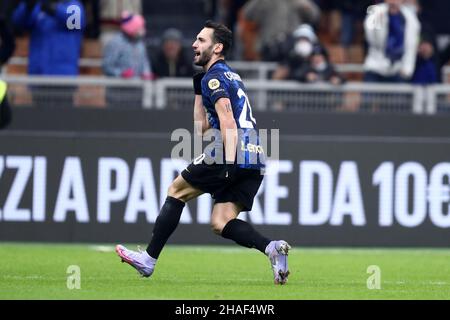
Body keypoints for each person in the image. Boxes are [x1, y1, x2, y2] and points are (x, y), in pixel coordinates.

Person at [116, 21, 291, 285]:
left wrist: (229, 162)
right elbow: (202, 127)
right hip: (256, 153)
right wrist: (198, 90)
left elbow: (228, 121)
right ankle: (272, 248)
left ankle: (148, 259)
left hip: (231, 149)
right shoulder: (228, 76)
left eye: (201, 40)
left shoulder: (215, 77)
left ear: (217, 47)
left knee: (177, 191)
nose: (194, 45)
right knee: (221, 222)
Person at [12, 0, 86, 108]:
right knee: (40, 120)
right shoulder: (37, 8)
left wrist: (52, 8)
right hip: (39, 74)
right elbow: (18, 23)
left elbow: (75, 21)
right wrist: (28, 7)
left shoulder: (73, 5)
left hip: (63, 77)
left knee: (63, 119)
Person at [102, 11, 152, 108]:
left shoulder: (140, 44)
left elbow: (145, 62)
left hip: (136, 94)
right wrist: (120, 73)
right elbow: (107, 66)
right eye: (138, 28)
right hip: (117, 95)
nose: (141, 31)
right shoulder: (115, 43)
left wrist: (146, 73)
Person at [363, 0, 421, 83]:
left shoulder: (410, 18)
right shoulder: (376, 11)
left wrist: (407, 69)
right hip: (375, 68)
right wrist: (377, 25)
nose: (393, 2)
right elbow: (372, 41)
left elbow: (411, 47)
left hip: (399, 70)